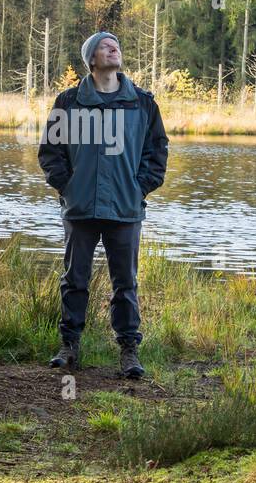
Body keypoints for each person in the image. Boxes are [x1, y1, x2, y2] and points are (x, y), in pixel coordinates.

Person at [37, 30, 169, 378]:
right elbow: (50, 152)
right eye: (105, 46)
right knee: (74, 279)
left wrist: (139, 188)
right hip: (80, 209)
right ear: (91, 60)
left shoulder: (142, 103)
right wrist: (67, 187)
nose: (114, 49)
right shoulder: (68, 102)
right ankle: (69, 348)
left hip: (125, 209)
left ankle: (129, 352)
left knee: (125, 281)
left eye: (117, 46)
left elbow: (157, 152)